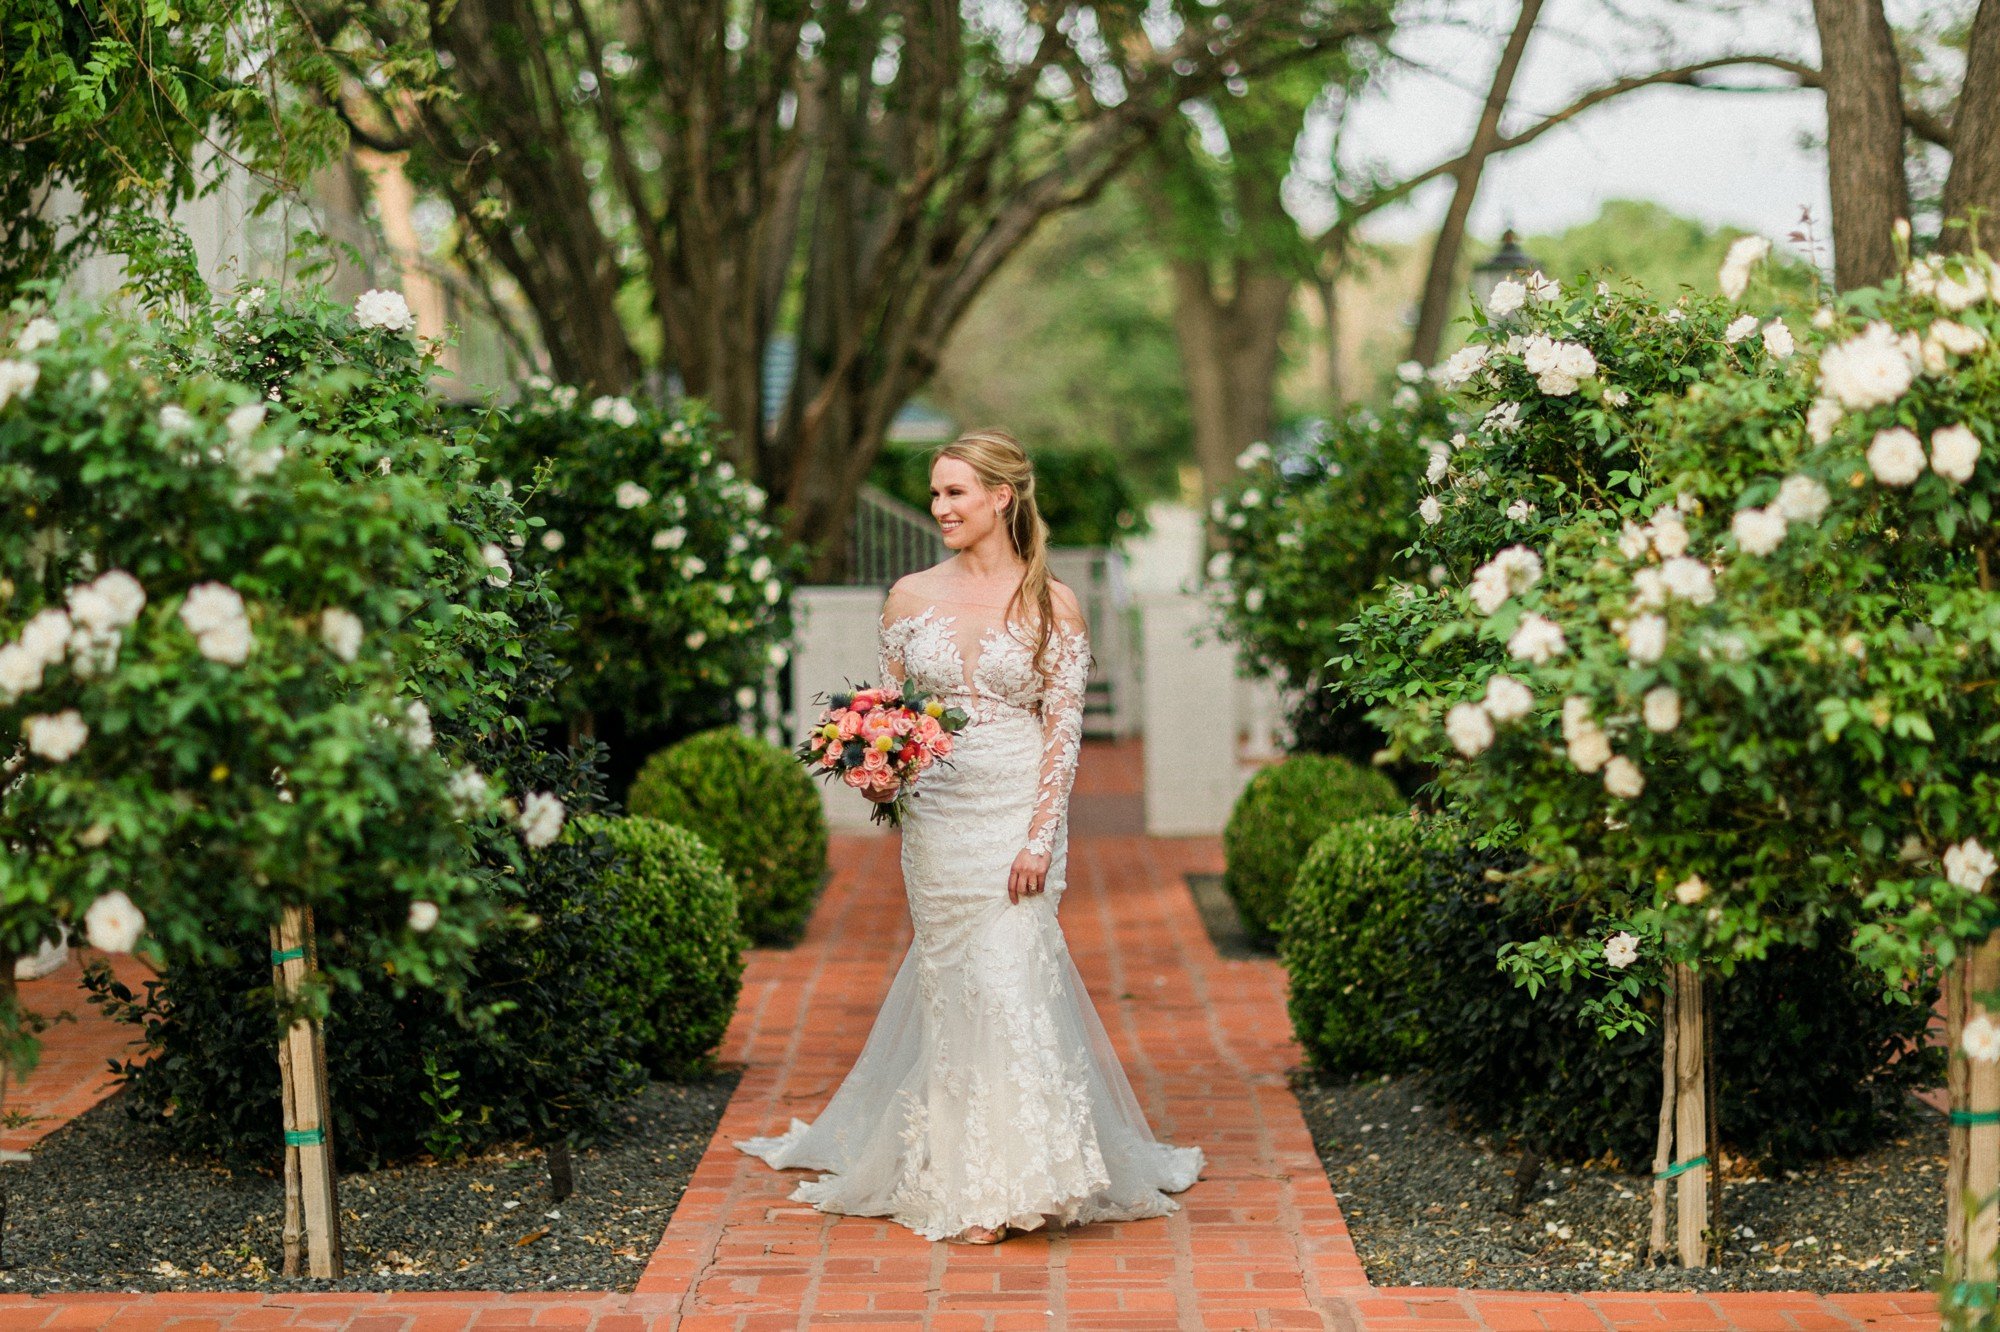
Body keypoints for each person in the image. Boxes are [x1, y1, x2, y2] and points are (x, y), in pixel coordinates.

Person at [736, 429, 1203, 1244]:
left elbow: (1063, 732)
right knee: (958, 987)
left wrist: (1038, 837)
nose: (940, 507)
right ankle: (971, 1168)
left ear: (1002, 497)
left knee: (1012, 976)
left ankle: (1030, 1175)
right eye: (935, 493)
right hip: (938, 821)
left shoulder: (1053, 603)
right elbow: (892, 713)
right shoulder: (909, 595)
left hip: (1020, 810)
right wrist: (878, 770)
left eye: (956, 492)